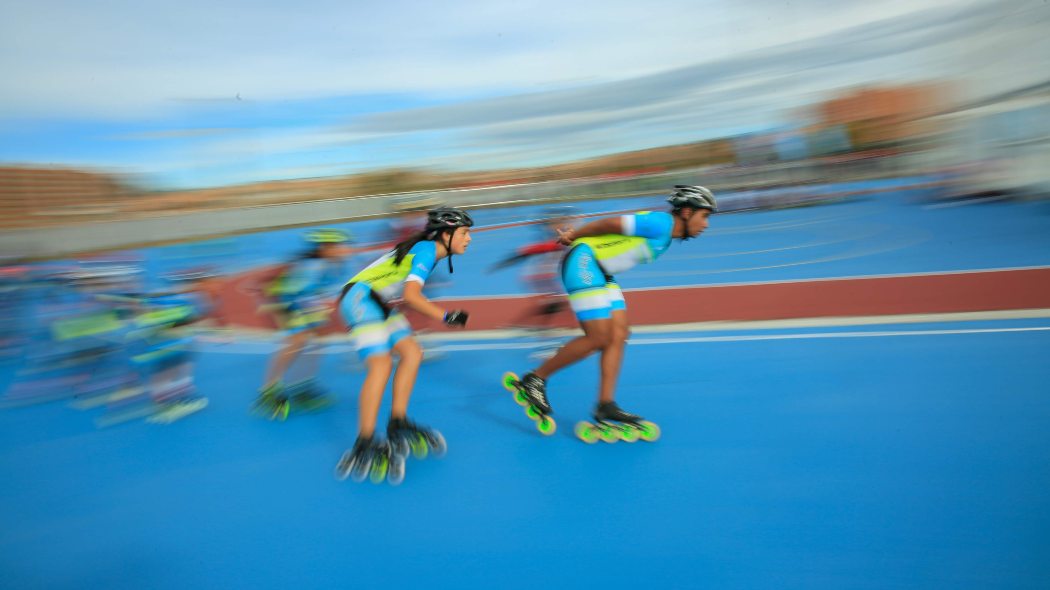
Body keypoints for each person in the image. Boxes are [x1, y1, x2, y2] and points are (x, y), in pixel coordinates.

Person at [507, 185, 717, 439]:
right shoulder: (661, 222)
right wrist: (574, 236)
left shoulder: (667, 234)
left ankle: (606, 405)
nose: (705, 224)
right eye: (704, 216)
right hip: (585, 262)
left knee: (619, 334)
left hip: (602, 272)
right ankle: (534, 380)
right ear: (686, 211)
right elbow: (610, 224)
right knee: (598, 337)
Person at [335, 207, 474, 484]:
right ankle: (365, 440)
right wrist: (446, 316)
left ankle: (397, 422)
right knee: (381, 364)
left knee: (412, 353)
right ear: (446, 235)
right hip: (360, 300)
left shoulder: (427, 251)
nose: (469, 238)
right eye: (465, 233)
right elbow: (411, 296)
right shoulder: (426, 250)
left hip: (379, 302)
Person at [252, 229, 352, 419]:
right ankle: (269, 388)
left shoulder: (334, 264)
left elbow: (319, 291)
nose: (345, 249)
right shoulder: (313, 266)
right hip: (290, 303)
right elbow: (292, 294)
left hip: (307, 302)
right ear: (325, 248)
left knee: (315, 343)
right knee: (297, 342)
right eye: (340, 246)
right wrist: (306, 316)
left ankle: (301, 384)